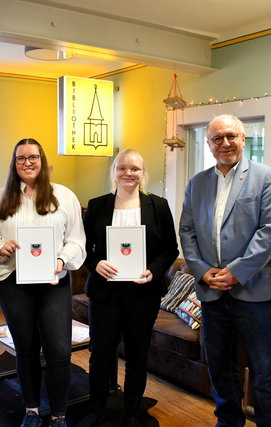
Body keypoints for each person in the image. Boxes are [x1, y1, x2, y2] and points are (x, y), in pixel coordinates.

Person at [179, 114, 271, 427]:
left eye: (231, 136)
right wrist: (202, 270)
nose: (225, 143)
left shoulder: (265, 177)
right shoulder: (197, 183)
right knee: (220, 368)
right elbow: (187, 230)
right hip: (212, 293)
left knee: (265, 371)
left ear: (243, 138)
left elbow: (270, 230)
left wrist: (237, 271)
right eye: (217, 138)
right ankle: (228, 422)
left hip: (254, 293)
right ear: (210, 145)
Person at [0, 138, 86, 427]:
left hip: (54, 283)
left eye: (33, 157)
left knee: (59, 351)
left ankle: (59, 415)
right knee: (26, 348)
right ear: (14, 164)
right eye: (21, 158)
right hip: (13, 283)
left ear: (42, 160)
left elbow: (76, 240)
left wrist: (61, 261)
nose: (27, 163)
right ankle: (31, 410)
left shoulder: (64, 196)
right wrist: (1, 248)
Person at [79, 148, 178, 427]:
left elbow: (170, 248)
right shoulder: (97, 205)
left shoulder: (158, 205)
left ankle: (133, 412)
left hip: (142, 292)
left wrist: (154, 271)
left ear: (143, 173)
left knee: (137, 354)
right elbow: (84, 248)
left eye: (135, 168)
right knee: (100, 354)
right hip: (105, 292)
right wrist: (95, 264)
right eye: (122, 168)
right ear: (114, 172)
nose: (128, 173)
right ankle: (96, 410)